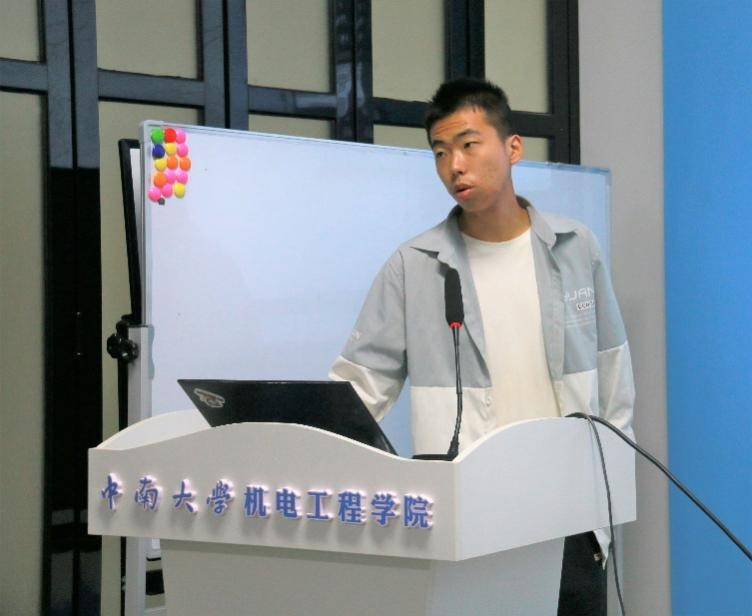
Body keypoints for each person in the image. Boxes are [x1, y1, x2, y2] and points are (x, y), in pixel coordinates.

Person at [329, 77, 634, 615]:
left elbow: (614, 385)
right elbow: (358, 390)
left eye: (469, 145)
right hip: (467, 519)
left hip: (568, 514)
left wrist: (604, 513)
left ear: (512, 147)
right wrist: (288, 444)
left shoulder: (575, 248)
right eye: (440, 152)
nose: (455, 166)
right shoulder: (413, 266)